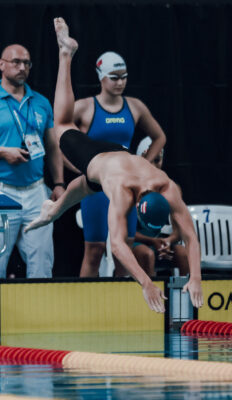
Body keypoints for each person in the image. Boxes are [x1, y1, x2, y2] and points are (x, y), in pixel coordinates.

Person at [25, 18, 203, 313]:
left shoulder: (169, 189)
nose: (121, 81)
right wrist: (146, 282)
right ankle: (65, 54)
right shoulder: (122, 191)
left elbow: (190, 237)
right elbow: (118, 245)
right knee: (62, 124)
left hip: (116, 160)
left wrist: (196, 277)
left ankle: (54, 211)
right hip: (98, 158)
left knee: (87, 185)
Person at [0, 44, 65, 278]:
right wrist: (2, 152)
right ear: (1, 64)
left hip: (36, 191)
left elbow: (52, 146)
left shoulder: (41, 102)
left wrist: (59, 183)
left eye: (27, 63)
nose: (22, 67)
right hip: (0, 190)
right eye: (16, 62)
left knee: (42, 262)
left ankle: (39, 303)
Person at [71, 51, 166, 278]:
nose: (120, 82)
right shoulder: (84, 107)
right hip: (96, 188)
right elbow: (58, 137)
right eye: (114, 77)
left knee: (124, 252)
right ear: (101, 77)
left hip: (125, 188)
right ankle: (84, 300)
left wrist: (144, 165)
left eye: (124, 77)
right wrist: (78, 167)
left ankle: (120, 300)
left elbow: (159, 137)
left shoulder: (134, 107)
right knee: (94, 252)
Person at [133, 137, 189, 277]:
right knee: (147, 254)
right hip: (136, 242)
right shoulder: (131, 188)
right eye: (150, 160)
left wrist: (167, 242)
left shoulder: (172, 188)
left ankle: (184, 291)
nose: (154, 165)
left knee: (183, 253)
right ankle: (151, 291)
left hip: (160, 242)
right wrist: (153, 241)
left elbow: (178, 231)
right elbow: (125, 233)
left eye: (157, 160)